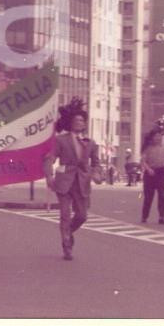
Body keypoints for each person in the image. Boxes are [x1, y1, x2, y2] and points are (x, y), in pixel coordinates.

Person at [43, 98, 102, 261]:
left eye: (82, 120)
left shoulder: (90, 143)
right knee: (65, 214)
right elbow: (50, 158)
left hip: (82, 183)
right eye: (76, 120)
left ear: (84, 124)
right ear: (70, 122)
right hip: (63, 182)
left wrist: (97, 174)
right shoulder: (60, 140)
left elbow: (97, 163)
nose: (79, 122)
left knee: (82, 216)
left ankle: (68, 231)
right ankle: (67, 245)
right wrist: (49, 175)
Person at [139, 125, 164, 224]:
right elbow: (142, 161)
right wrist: (148, 169)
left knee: (162, 195)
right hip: (150, 174)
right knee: (148, 196)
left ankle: (161, 217)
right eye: (156, 136)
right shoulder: (147, 148)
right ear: (152, 138)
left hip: (161, 172)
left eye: (160, 136)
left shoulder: (163, 147)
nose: (158, 138)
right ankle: (144, 216)